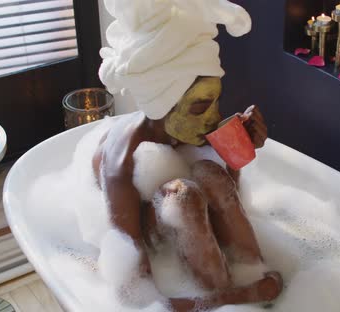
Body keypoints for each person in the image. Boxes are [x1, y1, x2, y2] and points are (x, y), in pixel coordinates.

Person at [92, 76, 283, 311]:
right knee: (182, 197)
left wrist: (237, 149)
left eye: (216, 103)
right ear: (163, 105)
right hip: (148, 237)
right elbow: (134, 294)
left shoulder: (191, 129)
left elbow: (232, 196)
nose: (213, 118)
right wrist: (240, 296)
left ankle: (255, 273)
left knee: (210, 173)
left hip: (188, 235)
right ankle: (233, 297)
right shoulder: (123, 160)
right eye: (202, 107)